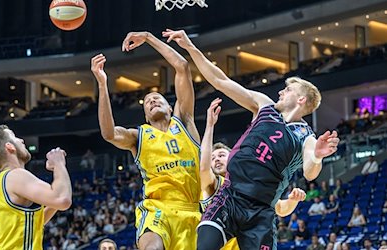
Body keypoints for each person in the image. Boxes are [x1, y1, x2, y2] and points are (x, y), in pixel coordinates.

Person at [162, 29, 339, 249]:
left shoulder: (306, 136)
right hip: (230, 196)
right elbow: (219, 80)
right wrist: (190, 47)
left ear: (301, 99)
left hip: (261, 211)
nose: (281, 92)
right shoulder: (263, 106)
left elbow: (310, 172)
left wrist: (319, 156)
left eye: (288, 89)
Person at [91, 31, 201, 250]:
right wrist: (103, 85)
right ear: (145, 117)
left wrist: (149, 38)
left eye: (157, 98)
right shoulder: (138, 136)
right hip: (157, 209)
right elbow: (109, 133)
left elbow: (182, 67)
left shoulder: (184, 121)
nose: (152, 100)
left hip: (193, 210)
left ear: (171, 107)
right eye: (147, 102)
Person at [200, 98, 307, 249]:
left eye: (221, 155)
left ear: (232, 157)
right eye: (213, 158)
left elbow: (281, 209)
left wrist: (292, 200)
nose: (216, 159)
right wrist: (210, 125)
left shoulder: (254, 185)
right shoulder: (215, 183)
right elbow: (203, 169)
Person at [0, 125, 72, 249]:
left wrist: (52, 200)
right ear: (9, 146)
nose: (21, 140)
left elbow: (28, 224)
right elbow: (63, 199)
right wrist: (59, 163)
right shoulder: (15, 176)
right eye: (15, 137)